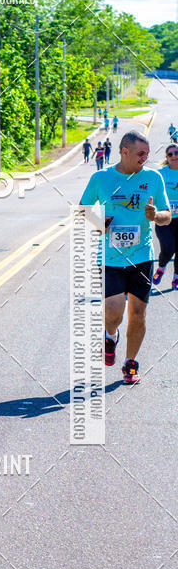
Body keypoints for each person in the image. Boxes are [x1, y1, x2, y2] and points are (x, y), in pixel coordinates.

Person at [79, 130, 171, 384]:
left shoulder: (153, 178)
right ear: (125, 151)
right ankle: (110, 335)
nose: (145, 158)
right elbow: (83, 209)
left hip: (142, 256)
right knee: (113, 312)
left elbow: (166, 215)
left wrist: (155, 216)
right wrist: (99, 223)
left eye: (147, 153)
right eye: (141, 153)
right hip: (111, 258)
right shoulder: (101, 178)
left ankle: (130, 363)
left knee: (138, 314)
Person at [152, 143, 178, 289]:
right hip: (165, 218)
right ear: (167, 158)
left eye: (176, 153)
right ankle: (161, 267)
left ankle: (176, 278)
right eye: (170, 154)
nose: (174, 156)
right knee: (168, 248)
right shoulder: (160, 174)